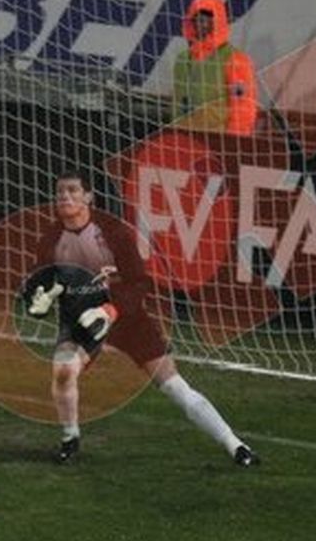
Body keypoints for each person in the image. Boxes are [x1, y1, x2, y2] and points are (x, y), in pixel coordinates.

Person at [22, 172, 259, 466]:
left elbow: (138, 282)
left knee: (173, 385)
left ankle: (234, 444)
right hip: (80, 322)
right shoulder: (49, 240)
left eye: (73, 191)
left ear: (89, 197)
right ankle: (70, 439)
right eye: (60, 192)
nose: (65, 197)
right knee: (63, 371)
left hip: (128, 319)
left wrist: (111, 310)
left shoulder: (113, 232)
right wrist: (38, 302)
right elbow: (39, 286)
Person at [171, 0, 257, 136]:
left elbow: (243, 105)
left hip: (219, 140)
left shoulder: (235, 59)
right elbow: (177, 103)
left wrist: (235, 140)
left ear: (218, 22)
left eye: (207, 20)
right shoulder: (182, 59)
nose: (201, 24)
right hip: (184, 137)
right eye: (197, 19)